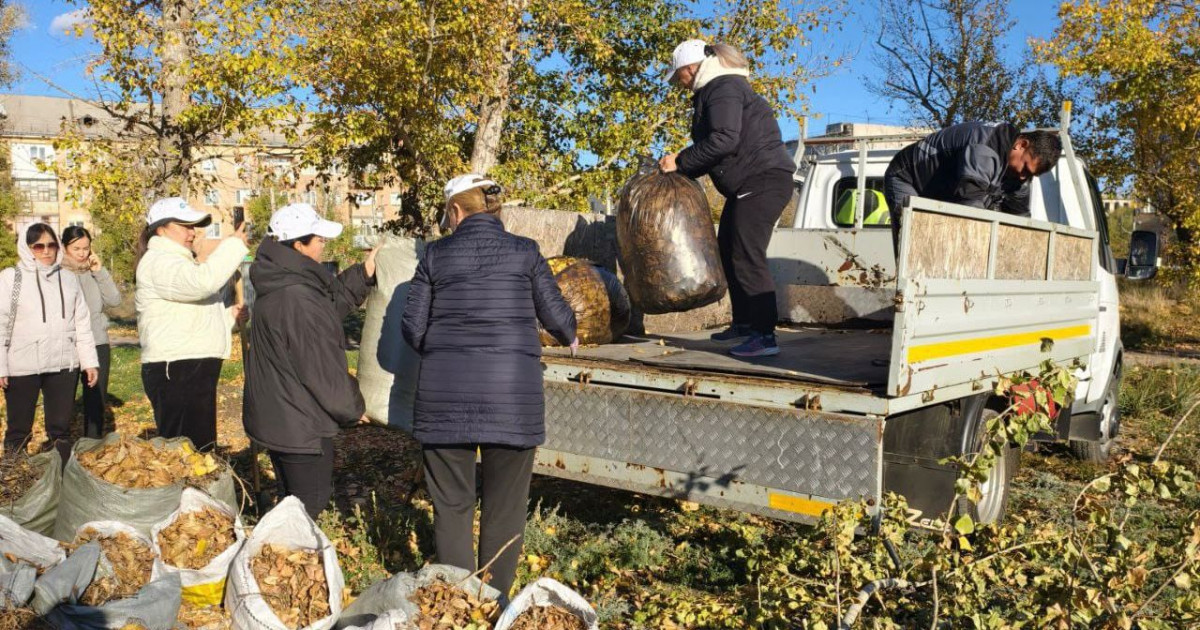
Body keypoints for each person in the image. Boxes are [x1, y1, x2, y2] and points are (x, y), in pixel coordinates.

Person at [402, 174, 577, 601]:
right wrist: (569, 335)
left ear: (456, 211)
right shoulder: (526, 253)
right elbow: (559, 318)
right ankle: (496, 601)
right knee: (505, 508)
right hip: (511, 400)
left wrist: (442, 351)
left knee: (452, 504)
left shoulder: (435, 256)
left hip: (444, 399)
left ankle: (460, 602)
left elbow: (412, 327)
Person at [658, 39, 796, 358]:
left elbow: (724, 139)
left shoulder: (723, 87)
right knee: (729, 250)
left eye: (677, 75)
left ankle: (764, 336)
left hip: (762, 181)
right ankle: (746, 324)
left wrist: (680, 162)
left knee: (747, 255)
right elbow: (721, 143)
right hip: (750, 183)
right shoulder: (718, 88)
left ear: (689, 69)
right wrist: (685, 162)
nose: (678, 83)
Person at [243, 203, 378, 519]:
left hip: (279, 417)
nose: (323, 245)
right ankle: (291, 562)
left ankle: (277, 554)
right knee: (308, 506)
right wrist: (352, 408)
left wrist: (363, 274)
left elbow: (324, 311)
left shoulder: (282, 281)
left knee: (290, 504)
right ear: (298, 244)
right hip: (300, 426)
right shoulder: (298, 296)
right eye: (319, 239)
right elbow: (321, 367)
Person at [134, 197, 247, 451]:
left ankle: (199, 490)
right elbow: (201, 284)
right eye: (185, 225)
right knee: (184, 452)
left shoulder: (179, 262)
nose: (192, 232)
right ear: (161, 228)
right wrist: (232, 247)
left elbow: (192, 315)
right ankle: (185, 491)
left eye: (194, 225)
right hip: (175, 370)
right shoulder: (159, 261)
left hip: (190, 366)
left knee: (199, 446)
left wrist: (229, 316)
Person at [0, 224, 99, 460]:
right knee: (19, 429)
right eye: (38, 246)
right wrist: (1, 367)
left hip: (63, 364)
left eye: (51, 245)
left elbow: (82, 323)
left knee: (60, 429)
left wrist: (89, 362)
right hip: (22, 366)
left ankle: (60, 476)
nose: (46, 251)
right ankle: (13, 481)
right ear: (27, 248)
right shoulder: (10, 278)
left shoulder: (68, 279)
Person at [883, 121, 1063, 250]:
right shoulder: (985, 147)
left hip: (942, 189)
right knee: (914, 243)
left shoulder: (1020, 172)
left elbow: (1020, 217)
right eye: (1025, 168)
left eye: (1031, 175)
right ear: (1021, 145)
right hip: (907, 177)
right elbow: (971, 206)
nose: (1024, 177)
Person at [61, 226, 123, 439]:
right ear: (64, 247)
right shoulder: (57, 273)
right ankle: (62, 448)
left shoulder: (93, 272)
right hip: (67, 345)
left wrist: (100, 272)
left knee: (96, 401)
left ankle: (93, 445)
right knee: (63, 403)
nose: (82, 253)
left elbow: (114, 300)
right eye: (76, 248)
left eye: (86, 248)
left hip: (97, 343)